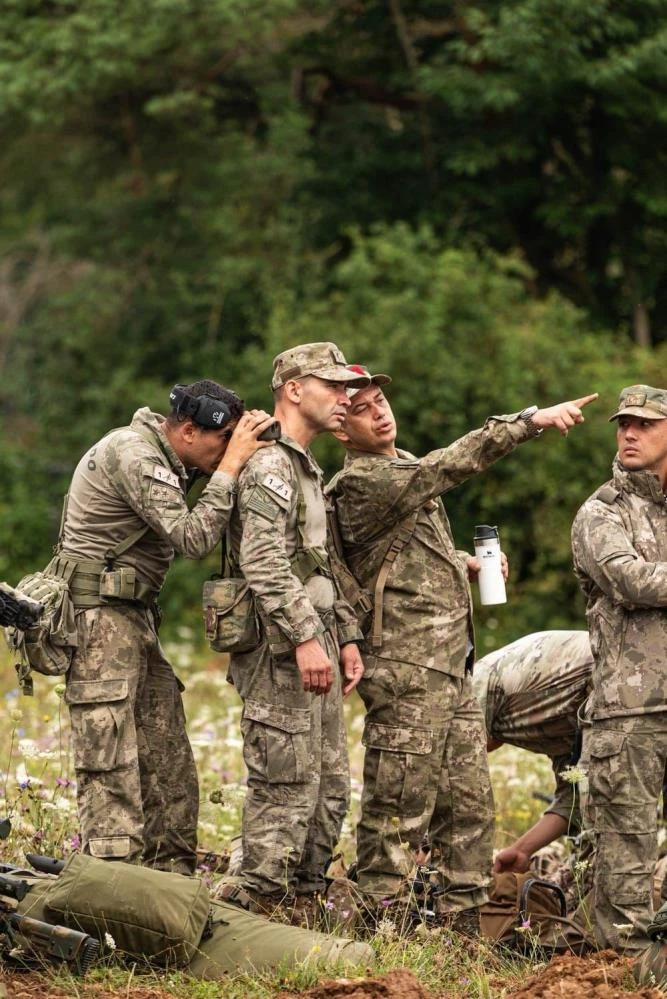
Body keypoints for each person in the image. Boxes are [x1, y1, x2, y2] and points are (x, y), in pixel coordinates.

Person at [327, 365, 597, 932]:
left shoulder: (398, 472)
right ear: (340, 429)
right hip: (405, 669)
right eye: (363, 408)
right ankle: (377, 932)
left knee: (470, 809)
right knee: (397, 807)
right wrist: (528, 422)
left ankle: (463, 932)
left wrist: (469, 565)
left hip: (449, 667)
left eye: (381, 399)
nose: (381, 411)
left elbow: (402, 561)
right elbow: (451, 465)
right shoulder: (363, 482)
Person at [54, 380, 276, 874]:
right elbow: (193, 538)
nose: (225, 456)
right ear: (190, 431)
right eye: (222, 443)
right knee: (110, 763)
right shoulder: (136, 454)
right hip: (100, 624)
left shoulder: (167, 457)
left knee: (167, 762)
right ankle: (112, 895)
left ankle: (168, 885)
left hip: (133, 621)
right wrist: (234, 466)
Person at [219, 343, 368, 918]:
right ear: (293, 389)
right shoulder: (269, 464)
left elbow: (320, 561)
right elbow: (263, 561)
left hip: (316, 639)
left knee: (328, 786)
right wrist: (306, 636)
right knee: (284, 783)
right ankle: (255, 908)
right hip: (281, 647)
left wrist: (345, 635)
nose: (346, 398)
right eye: (332, 386)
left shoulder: (304, 465)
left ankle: (301, 902)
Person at [571, 383, 667, 955]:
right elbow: (629, 580)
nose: (629, 433)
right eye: (623, 424)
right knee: (624, 869)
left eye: (645, 425)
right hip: (629, 713)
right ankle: (618, 980)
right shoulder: (601, 511)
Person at [472, 630, 593, 874]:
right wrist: (522, 849)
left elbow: (456, 770)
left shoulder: (476, 688)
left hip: (620, 676)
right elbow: (573, 800)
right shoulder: (551, 720)